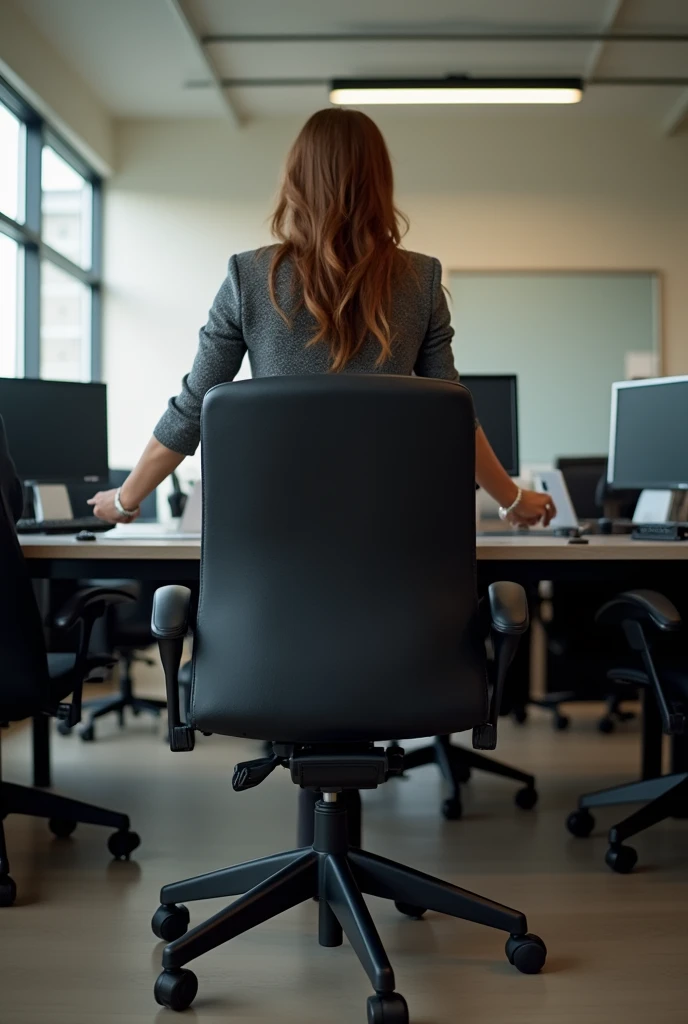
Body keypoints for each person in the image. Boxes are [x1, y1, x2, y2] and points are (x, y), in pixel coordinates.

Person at [89, 108, 554, 528]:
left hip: (270, 530)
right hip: (392, 531)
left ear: (295, 180)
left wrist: (125, 500)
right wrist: (512, 500)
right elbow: (455, 416)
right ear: (380, 182)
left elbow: (192, 410)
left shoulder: (248, 276)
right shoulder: (421, 279)